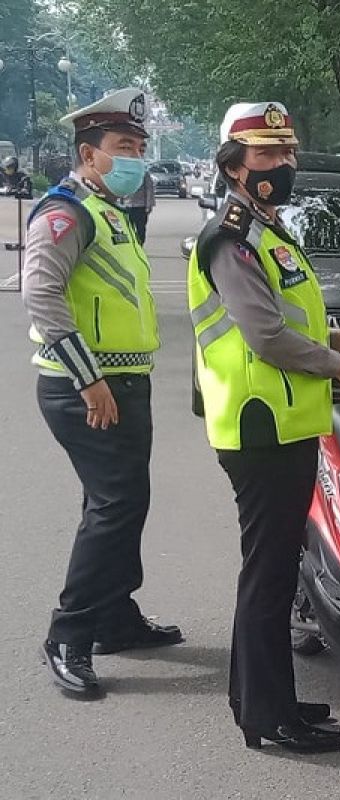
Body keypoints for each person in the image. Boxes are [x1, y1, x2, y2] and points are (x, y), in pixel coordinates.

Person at [187, 102, 340, 752]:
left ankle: (270, 701)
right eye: (267, 157)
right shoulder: (231, 237)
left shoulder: (268, 230)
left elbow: (295, 323)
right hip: (260, 428)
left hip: (285, 422)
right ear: (233, 167)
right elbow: (267, 336)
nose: (283, 166)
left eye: (287, 154)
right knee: (268, 573)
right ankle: (265, 718)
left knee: (276, 572)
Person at [22, 88, 181, 697]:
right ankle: (69, 632)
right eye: (123, 147)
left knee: (122, 503)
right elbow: (41, 295)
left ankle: (114, 615)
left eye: (140, 146)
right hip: (84, 386)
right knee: (113, 507)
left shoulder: (111, 209)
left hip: (121, 382)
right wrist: (89, 377)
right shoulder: (66, 212)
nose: (136, 156)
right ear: (89, 155)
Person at [121, 169, 155, 244]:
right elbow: (120, 189)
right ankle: (131, 245)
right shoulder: (124, 173)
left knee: (141, 229)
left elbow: (149, 189)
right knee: (128, 229)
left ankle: (140, 245)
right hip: (127, 206)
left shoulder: (144, 173)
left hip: (140, 206)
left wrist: (149, 205)